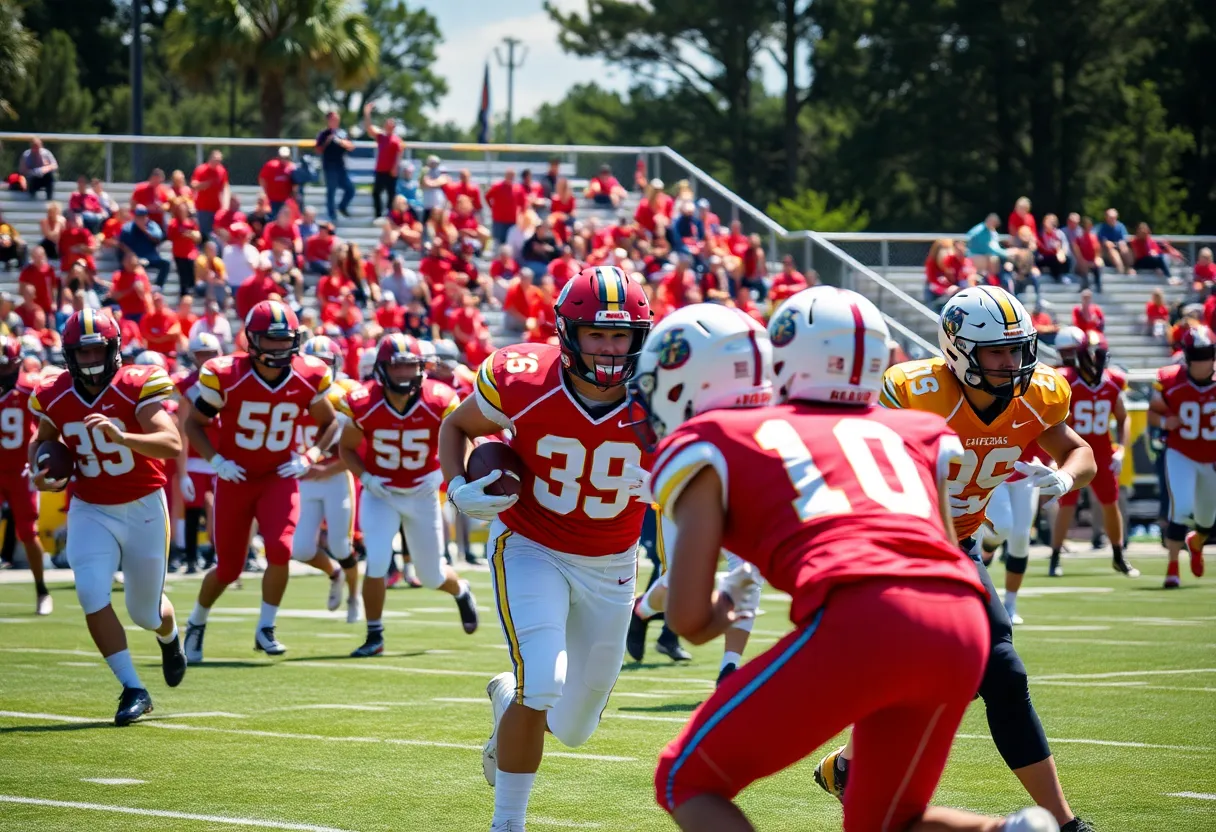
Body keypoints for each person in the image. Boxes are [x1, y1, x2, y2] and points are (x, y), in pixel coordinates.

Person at [641, 295, 1058, 832]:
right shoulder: (912, 430)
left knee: (685, 779)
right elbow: (947, 542)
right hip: (963, 622)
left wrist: (727, 604)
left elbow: (689, 621)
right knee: (885, 820)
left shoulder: (716, 438)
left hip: (863, 618)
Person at [818, 285, 1098, 832]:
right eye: (996, 352)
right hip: (893, 547)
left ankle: (1064, 823)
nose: (1010, 362)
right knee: (929, 669)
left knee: (1001, 672)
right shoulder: (914, 392)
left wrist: (1065, 478)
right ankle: (856, 771)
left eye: (1016, 349)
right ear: (959, 351)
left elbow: (1079, 451)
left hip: (957, 546)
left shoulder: (1038, 394)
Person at [437, 265, 653, 832]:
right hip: (533, 544)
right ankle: (507, 823)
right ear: (567, 333)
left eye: (621, 335)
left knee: (575, 727)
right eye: (596, 333)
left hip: (613, 561)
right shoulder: (523, 379)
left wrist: (670, 486)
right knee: (544, 680)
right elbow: (456, 427)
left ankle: (508, 699)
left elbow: (706, 470)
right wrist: (458, 486)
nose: (609, 348)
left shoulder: (664, 395)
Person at [28, 309, 187, 725]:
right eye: (82, 352)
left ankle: (169, 637)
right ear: (68, 355)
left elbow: (171, 443)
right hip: (91, 506)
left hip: (142, 505)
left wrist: (124, 436)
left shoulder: (135, 384)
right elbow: (42, 443)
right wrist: (39, 472)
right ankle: (133, 688)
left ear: (114, 349)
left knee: (144, 613)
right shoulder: (54, 393)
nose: (90, 359)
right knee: (90, 592)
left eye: (97, 350)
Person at [182, 300, 338, 662]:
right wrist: (216, 460)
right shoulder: (226, 374)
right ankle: (196, 621)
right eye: (271, 339)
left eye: (285, 339)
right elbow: (194, 424)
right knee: (229, 568)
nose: (280, 347)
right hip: (235, 478)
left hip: (277, 476)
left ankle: (266, 627)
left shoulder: (307, 374)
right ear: (252, 340)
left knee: (281, 549)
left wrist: (311, 455)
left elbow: (330, 423)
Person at [339, 334, 480, 657]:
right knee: (376, 561)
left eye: (410, 366)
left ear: (421, 367)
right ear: (382, 368)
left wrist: (443, 474)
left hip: (422, 493)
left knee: (430, 575)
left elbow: (464, 439)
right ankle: (374, 635)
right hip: (382, 493)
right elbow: (346, 448)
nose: (404, 374)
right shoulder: (362, 401)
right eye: (397, 367)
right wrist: (366, 478)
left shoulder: (439, 398)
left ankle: (460, 589)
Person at [1048, 327, 1138, 580]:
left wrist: (1121, 449)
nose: (1095, 362)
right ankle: (1055, 556)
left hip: (1102, 452)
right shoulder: (1066, 380)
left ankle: (1118, 555)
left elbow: (1123, 417)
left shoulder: (1112, 381)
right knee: (1067, 505)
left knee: (1110, 503)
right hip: (1074, 452)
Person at [287, 336, 362, 622]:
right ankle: (335, 572)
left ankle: (354, 595)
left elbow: (359, 449)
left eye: (325, 362)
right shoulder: (292, 389)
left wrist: (327, 470)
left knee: (341, 546)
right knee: (301, 549)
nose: (319, 367)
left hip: (335, 476)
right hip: (305, 478)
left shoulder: (346, 395)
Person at [1148, 325, 1216, 588]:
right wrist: (1165, 422)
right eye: (1197, 355)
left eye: (1206, 354)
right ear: (1187, 356)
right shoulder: (1169, 379)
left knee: (1207, 521)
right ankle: (1173, 567)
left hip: (1211, 459)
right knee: (1182, 508)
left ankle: (1195, 542)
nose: (1201, 361)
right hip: (1181, 453)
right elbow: (1153, 413)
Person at [0, 336, 51, 614]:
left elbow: (50, 421)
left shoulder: (31, 387)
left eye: (6, 366)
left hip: (21, 469)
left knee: (28, 533)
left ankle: (42, 590)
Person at [173, 332, 223, 574]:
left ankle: (217, 555)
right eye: (201, 354)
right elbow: (183, 430)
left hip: (222, 456)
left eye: (210, 354)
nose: (206, 359)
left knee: (219, 508)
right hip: (195, 457)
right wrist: (182, 473)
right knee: (193, 508)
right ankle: (191, 557)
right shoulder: (188, 386)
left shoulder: (229, 379)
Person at [316, 111, 355, 222]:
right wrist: (327, 141)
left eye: (337, 119)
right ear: (328, 121)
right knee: (331, 191)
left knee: (350, 189)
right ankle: (332, 216)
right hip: (329, 167)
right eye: (333, 119)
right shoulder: (323, 134)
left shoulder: (342, 133)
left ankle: (342, 206)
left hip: (341, 167)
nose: (336, 121)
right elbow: (318, 150)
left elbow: (351, 147)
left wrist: (342, 142)